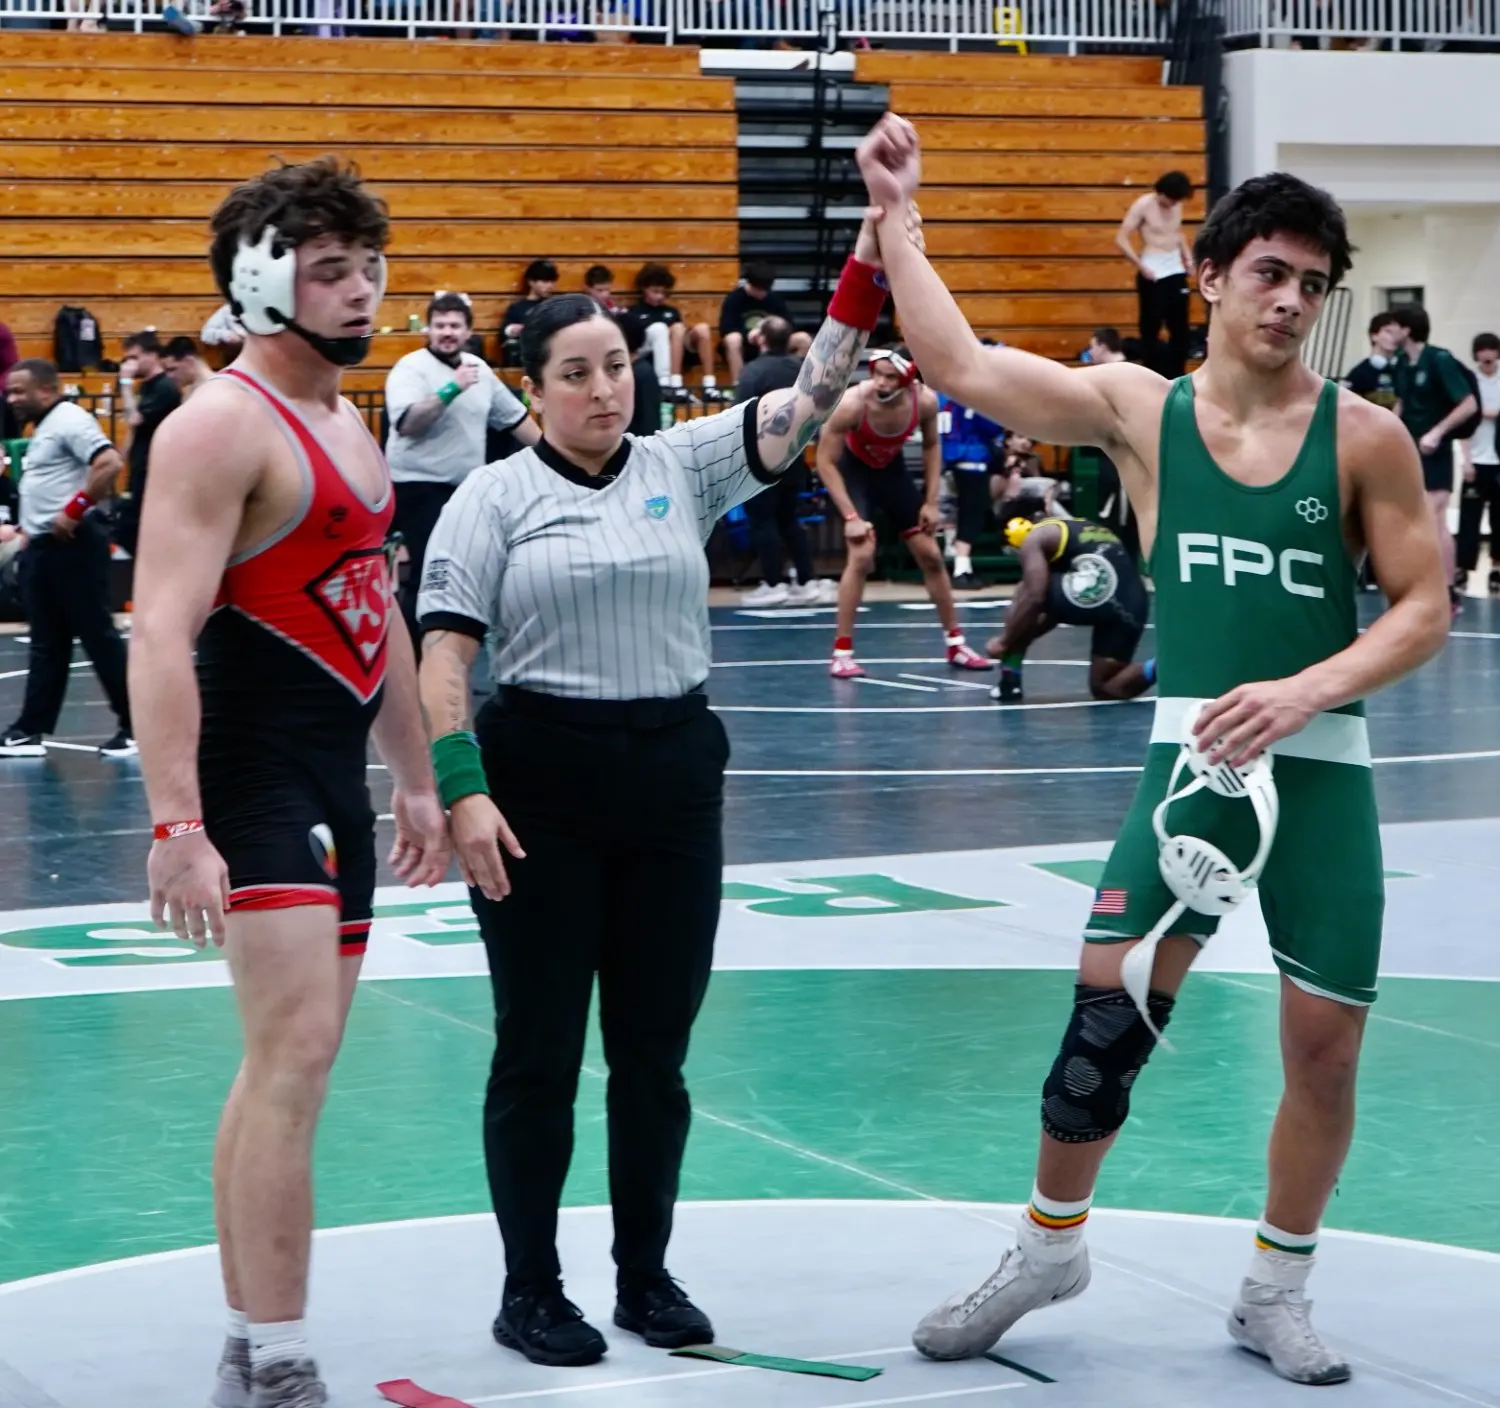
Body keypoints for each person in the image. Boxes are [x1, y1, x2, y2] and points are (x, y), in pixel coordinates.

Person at [857, 114, 1449, 1386]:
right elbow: (957, 362)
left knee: (1325, 1047)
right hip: (1195, 761)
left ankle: (1275, 1288)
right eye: (1270, 274)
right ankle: (1047, 1248)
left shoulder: (1365, 436)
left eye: (1313, 285)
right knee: (1105, 1017)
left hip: (1322, 765)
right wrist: (897, 213)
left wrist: (1305, 690)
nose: (1290, 302)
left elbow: (1424, 606)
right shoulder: (1140, 410)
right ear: (1214, 275)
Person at [413, 221, 886, 1369]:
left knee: (654, 1054)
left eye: (616, 366)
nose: (603, 389)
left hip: (671, 782)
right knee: (537, 1051)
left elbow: (815, 393)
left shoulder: (684, 462)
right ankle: (531, 1290)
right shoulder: (491, 497)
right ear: (535, 390)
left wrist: (870, 256)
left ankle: (644, 1276)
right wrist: (463, 792)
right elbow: (443, 658)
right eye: (575, 373)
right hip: (540, 788)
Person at [127, 157, 450, 1408]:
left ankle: (247, 1344)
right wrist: (176, 822)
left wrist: (414, 778)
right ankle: (280, 1360)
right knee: (294, 1057)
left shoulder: (349, 424)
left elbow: (377, 610)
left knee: (286, 1067)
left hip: (331, 780)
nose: (362, 291)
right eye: (328, 272)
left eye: (367, 266)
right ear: (262, 284)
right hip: (255, 775)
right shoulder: (218, 425)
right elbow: (160, 631)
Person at [814, 347, 993, 677]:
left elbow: (931, 445)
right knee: (862, 556)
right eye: (877, 374)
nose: (881, 382)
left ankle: (956, 644)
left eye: (890, 377)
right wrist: (851, 517)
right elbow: (824, 462)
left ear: (909, 379)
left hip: (892, 474)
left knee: (932, 556)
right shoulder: (852, 404)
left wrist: (931, 502)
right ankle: (842, 652)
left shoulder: (924, 402)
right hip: (855, 474)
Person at [384, 291, 539, 646]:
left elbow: (515, 418)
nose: (447, 332)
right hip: (418, 486)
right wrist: (451, 389)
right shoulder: (411, 368)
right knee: (430, 572)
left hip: (465, 490)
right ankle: (413, 659)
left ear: (468, 331)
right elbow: (408, 424)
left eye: (454, 326)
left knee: (462, 572)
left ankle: (449, 649)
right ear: (428, 329)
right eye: (440, 325)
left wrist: (556, 455)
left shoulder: (478, 369)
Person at [0, 359, 134, 759]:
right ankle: (30, 730)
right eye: (9, 392)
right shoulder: (45, 427)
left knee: (97, 636)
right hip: (45, 546)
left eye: (19, 391)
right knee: (48, 642)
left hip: (72, 543)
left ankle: (137, 725)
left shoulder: (70, 419)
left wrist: (75, 509)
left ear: (47, 389)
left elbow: (110, 462)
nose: (12, 399)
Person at [986, 513, 1154, 703]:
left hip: (1098, 588)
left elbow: (1035, 597)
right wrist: (1019, 634)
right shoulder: (1079, 528)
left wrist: (1005, 641)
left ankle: (1010, 680)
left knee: (1026, 591)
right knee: (1105, 686)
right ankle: (1163, 666)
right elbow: (1054, 613)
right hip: (1133, 603)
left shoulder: (1034, 537)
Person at [1390, 303, 1478, 614]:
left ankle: (1448, 591)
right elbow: (1402, 403)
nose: (1390, 332)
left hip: (1435, 451)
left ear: (1407, 329)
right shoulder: (1401, 362)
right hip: (1408, 450)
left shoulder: (1439, 359)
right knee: (1412, 520)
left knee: (1434, 518)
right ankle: (1418, 588)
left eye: (1394, 326)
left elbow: (1467, 404)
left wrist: (1437, 433)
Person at [733, 316, 826, 606]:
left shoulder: (754, 371)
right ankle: (806, 581)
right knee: (788, 519)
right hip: (795, 453)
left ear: (760, 339)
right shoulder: (801, 368)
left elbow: (740, 413)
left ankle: (773, 583)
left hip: (762, 454)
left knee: (763, 520)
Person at [1116, 171, 1195, 379]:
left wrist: (1188, 258)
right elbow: (1121, 238)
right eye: (1170, 199)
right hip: (1153, 271)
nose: (1173, 204)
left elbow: (1177, 232)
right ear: (1161, 193)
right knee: (1151, 328)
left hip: (1175, 269)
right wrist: (1141, 265)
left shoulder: (1176, 205)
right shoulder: (1143, 205)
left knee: (1181, 330)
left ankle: (1177, 375)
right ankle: (1153, 376)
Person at [116, 330, 181, 559]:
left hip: (156, 464)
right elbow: (134, 427)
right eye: (127, 358)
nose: (130, 364)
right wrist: (123, 455)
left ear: (152, 355)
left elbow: (135, 418)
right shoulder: (146, 386)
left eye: (134, 357)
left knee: (140, 520)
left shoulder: (165, 388)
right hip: (140, 462)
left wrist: (125, 383)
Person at [617, 263, 719, 403]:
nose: (659, 296)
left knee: (701, 328)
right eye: (655, 291)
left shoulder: (671, 312)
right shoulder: (634, 311)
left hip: (671, 355)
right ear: (644, 289)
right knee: (660, 328)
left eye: (663, 293)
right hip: (645, 353)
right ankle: (669, 384)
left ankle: (709, 385)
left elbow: (680, 339)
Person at [936, 384, 1004, 589]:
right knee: (971, 517)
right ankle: (961, 570)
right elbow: (991, 428)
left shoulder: (943, 398)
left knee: (965, 516)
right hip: (971, 460)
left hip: (950, 461)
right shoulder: (971, 400)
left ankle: (964, 568)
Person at [1083, 327, 1140, 563]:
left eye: (1092, 346)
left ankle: (1124, 571)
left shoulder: (1125, 375)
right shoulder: (1112, 374)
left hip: (1124, 458)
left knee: (1119, 522)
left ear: (1102, 345)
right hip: (1110, 455)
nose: (1090, 352)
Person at [1456, 331, 1500, 595]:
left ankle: (1496, 568)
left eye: (1491, 349)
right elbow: (1463, 422)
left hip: (1498, 460)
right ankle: (1463, 569)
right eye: (1482, 350)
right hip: (1476, 459)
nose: (1487, 355)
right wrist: (1466, 461)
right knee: (1469, 519)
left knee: (1499, 520)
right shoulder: (1469, 382)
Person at [718, 261, 808, 386]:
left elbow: (789, 324)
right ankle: (739, 385)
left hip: (772, 342)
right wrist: (748, 334)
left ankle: (794, 382)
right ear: (750, 284)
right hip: (746, 345)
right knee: (732, 339)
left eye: (765, 290)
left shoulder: (773, 299)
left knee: (803, 339)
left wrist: (769, 334)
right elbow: (726, 328)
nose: (762, 294)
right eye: (758, 290)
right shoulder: (734, 299)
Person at [500, 259, 558, 363]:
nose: (550, 286)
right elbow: (503, 333)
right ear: (531, 282)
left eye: (552, 282)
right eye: (545, 282)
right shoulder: (517, 307)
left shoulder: (556, 306)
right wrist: (513, 330)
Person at [1340, 311, 1401, 411]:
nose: (1394, 337)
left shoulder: (1404, 369)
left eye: (1397, 333)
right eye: (1388, 332)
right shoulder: (1360, 373)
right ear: (1374, 336)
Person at [162, 335, 216, 401]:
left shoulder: (213, 389)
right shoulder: (191, 388)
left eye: (172, 369)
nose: (169, 376)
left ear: (189, 362)